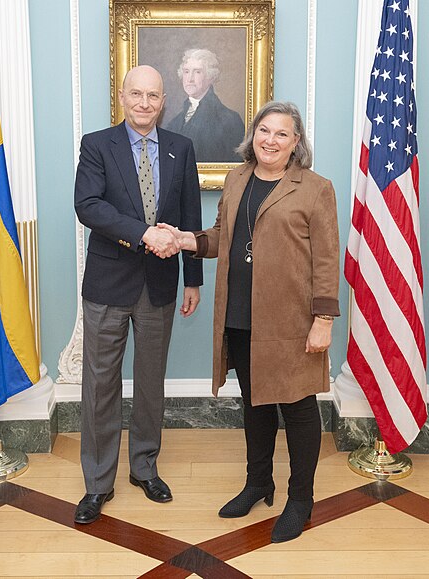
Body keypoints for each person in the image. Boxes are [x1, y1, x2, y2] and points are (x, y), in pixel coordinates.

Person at [160, 101, 339, 543]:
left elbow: (326, 260)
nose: (270, 140)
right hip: (240, 313)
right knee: (255, 401)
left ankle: (301, 498)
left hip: (292, 319)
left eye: (282, 134)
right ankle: (259, 483)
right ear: (253, 134)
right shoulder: (238, 177)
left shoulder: (316, 188)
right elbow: (224, 235)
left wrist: (323, 320)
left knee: (297, 408)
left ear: (296, 143)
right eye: (264, 130)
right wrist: (187, 239)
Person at [73, 65, 203, 524]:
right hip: (108, 285)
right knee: (100, 385)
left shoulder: (180, 149)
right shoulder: (96, 145)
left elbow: (189, 214)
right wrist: (144, 233)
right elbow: (88, 206)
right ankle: (97, 484)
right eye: (136, 94)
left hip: (160, 286)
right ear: (122, 97)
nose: (145, 103)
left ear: (163, 100)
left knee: (151, 382)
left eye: (153, 95)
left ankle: (144, 467)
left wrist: (193, 279)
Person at [164, 48, 245, 163]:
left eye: (197, 72)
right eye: (186, 71)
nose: (190, 79)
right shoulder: (174, 123)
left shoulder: (230, 120)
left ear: (210, 76)